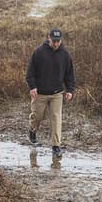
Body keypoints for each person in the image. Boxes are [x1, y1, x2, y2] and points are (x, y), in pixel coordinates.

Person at [26, 29, 75, 157]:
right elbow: (30, 72)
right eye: (54, 41)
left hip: (57, 93)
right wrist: (33, 87)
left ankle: (56, 146)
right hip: (40, 93)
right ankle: (32, 130)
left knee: (56, 118)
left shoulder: (65, 55)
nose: (56, 43)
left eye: (58, 41)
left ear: (61, 40)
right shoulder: (39, 52)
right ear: (49, 38)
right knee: (38, 116)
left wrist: (69, 90)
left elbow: (69, 74)